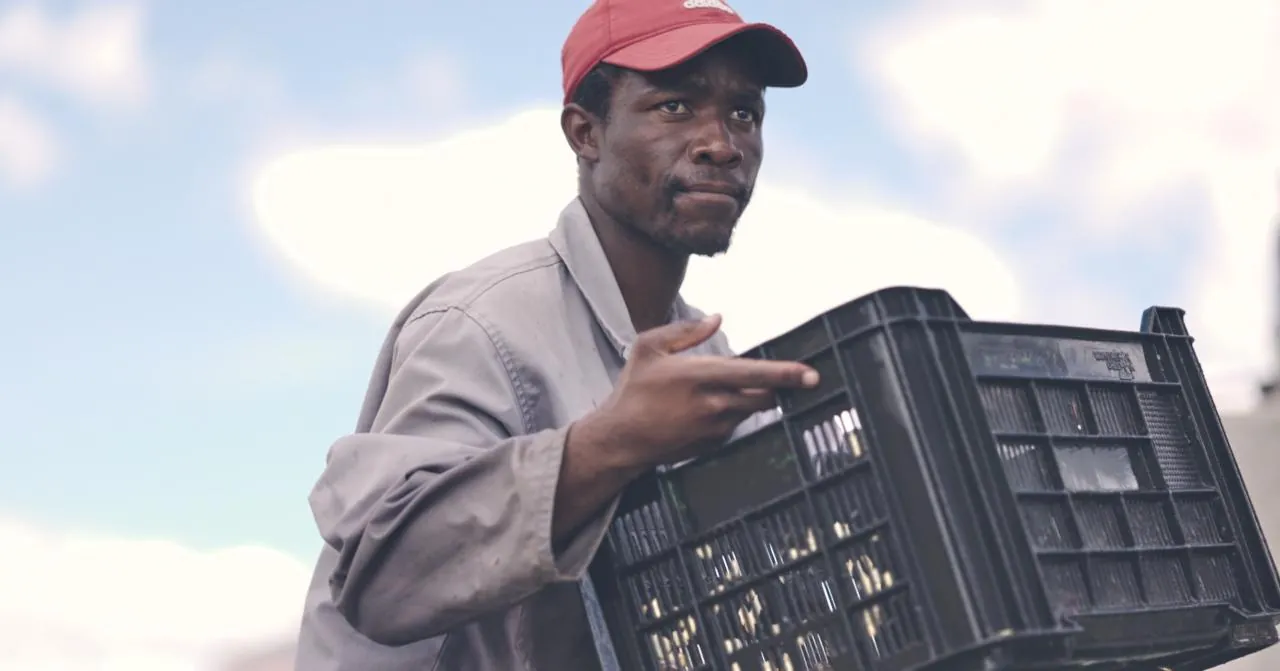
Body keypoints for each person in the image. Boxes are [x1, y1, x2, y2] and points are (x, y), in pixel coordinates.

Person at [294, 0, 814, 668]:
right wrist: (611, 443)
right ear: (585, 132)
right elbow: (382, 580)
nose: (723, 142)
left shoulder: (708, 357)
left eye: (744, 111)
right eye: (674, 107)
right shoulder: (482, 321)